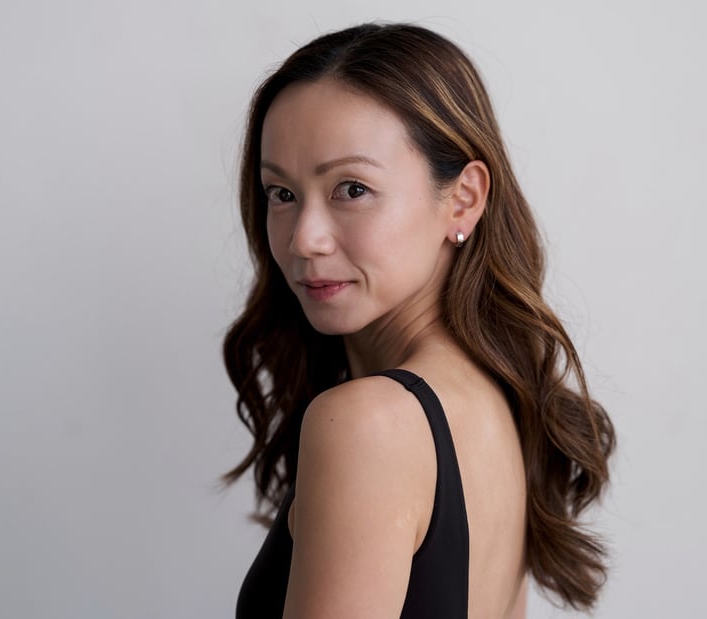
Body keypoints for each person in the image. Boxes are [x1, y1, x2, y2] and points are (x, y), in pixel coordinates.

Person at [223, 22, 615, 619]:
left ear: (463, 199)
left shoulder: (368, 425)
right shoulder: (500, 397)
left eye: (352, 189)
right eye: (282, 193)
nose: (304, 239)